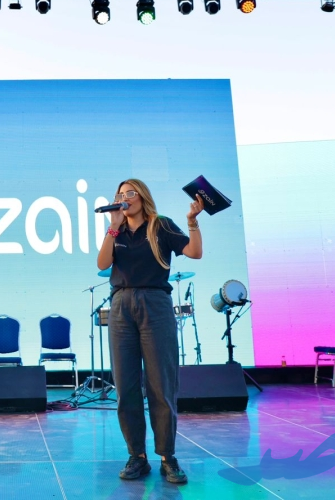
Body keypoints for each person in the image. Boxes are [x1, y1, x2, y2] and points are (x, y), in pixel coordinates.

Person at [97, 178, 204, 485]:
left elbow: (194, 252)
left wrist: (192, 221)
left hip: (155, 304)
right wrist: (112, 227)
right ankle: (137, 456)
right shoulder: (117, 231)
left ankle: (167, 457)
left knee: (161, 384)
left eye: (130, 193)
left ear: (142, 197)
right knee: (126, 387)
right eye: (120, 194)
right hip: (121, 305)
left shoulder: (161, 225)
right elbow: (102, 263)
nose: (124, 197)